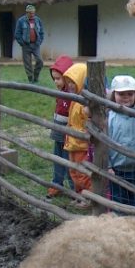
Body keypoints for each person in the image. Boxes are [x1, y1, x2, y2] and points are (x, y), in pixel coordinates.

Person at [107, 76, 135, 209]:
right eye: (121, 94)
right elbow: (103, 143)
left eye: (130, 94)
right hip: (117, 169)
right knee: (119, 202)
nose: (126, 97)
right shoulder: (109, 117)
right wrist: (107, 165)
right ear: (113, 94)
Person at [62, 63, 91, 207]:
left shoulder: (84, 104)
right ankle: (79, 195)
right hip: (72, 143)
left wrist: (80, 134)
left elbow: (88, 125)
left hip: (81, 144)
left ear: (81, 81)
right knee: (73, 171)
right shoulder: (75, 100)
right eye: (68, 82)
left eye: (73, 82)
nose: (70, 86)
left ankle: (88, 198)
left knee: (83, 174)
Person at [46, 55, 74, 199]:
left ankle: (74, 187)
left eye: (58, 78)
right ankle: (56, 183)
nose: (56, 82)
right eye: (54, 79)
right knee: (57, 157)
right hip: (58, 129)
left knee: (68, 160)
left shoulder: (73, 94)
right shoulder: (61, 92)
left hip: (68, 132)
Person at [14, 4, 45, 83]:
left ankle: (36, 76)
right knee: (27, 63)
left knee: (40, 61)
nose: (32, 15)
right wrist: (22, 43)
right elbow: (17, 34)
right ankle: (30, 79)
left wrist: (40, 41)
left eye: (33, 13)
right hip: (26, 45)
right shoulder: (21, 21)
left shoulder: (38, 20)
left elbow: (41, 32)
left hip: (36, 44)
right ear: (27, 13)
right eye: (30, 13)